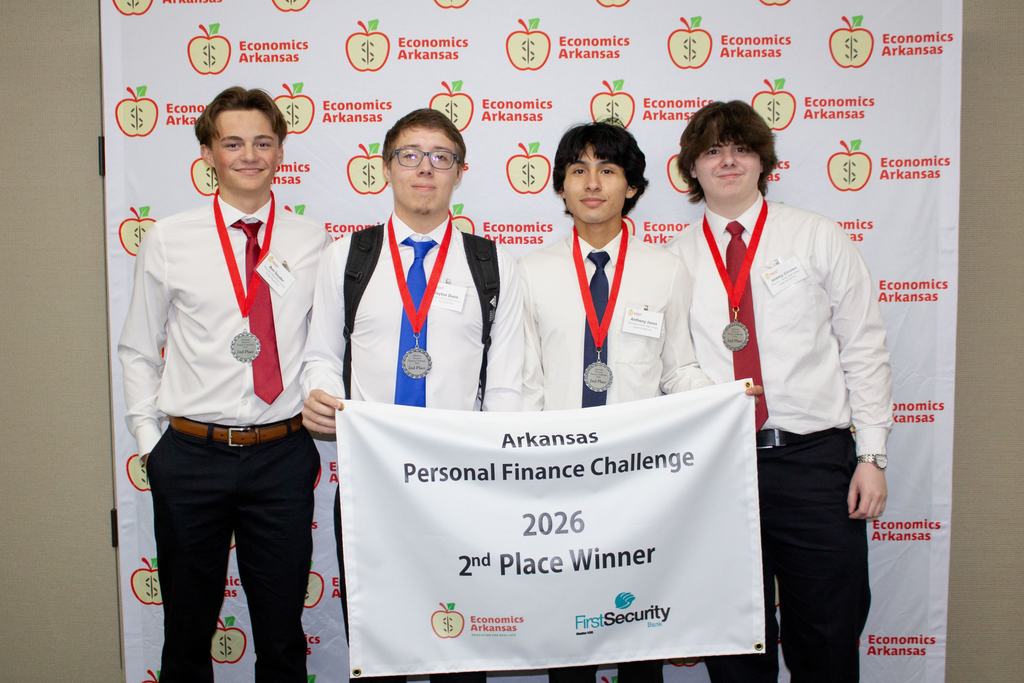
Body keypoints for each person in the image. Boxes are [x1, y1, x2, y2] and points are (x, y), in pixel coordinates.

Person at [669, 100, 892, 682]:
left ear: (763, 161)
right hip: (720, 466)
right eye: (712, 150)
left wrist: (870, 456)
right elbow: (673, 365)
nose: (728, 161)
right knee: (736, 639)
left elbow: (863, 348)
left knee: (827, 632)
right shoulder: (673, 260)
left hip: (815, 462)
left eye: (741, 148)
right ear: (690, 167)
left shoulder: (816, 236)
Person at [301, 108, 524, 683]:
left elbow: (504, 380)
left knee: (462, 647)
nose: (424, 169)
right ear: (386, 168)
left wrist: (492, 474)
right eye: (410, 155)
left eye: (440, 157)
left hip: (461, 485)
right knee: (377, 649)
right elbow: (323, 353)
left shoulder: (493, 262)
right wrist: (321, 394)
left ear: (459, 171)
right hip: (370, 482)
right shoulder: (346, 257)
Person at [118, 86, 328, 682]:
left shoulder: (311, 243)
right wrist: (148, 443)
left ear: (281, 151)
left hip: (281, 455)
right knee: (186, 633)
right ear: (208, 152)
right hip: (189, 456)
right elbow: (137, 347)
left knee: (283, 634)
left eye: (263, 141)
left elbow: (321, 349)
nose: (249, 155)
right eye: (232, 142)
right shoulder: (168, 238)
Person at [519, 121, 711, 683]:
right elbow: (524, 382)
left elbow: (678, 368)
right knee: (566, 636)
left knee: (639, 631)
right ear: (560, 187)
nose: (592, 183)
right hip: (558, 477)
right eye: (577, 170)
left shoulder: (665, 269)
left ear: (632, 186)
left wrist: (725, 402)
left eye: (608, 169)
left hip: (638, 478)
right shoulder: (529, 272)